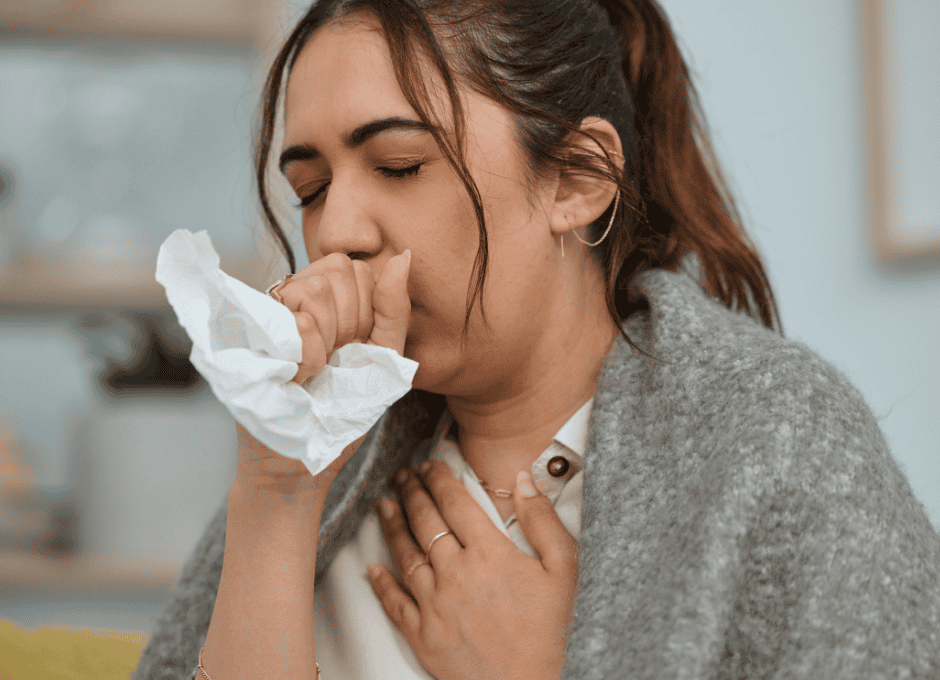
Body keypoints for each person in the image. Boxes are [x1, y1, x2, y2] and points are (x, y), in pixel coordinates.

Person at [133, 1, 940, 678]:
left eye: (400, 164)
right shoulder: (322, 471)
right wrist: (278, 493)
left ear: (580, 178)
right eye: (310, 188)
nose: (335, 229)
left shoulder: (779, 437)